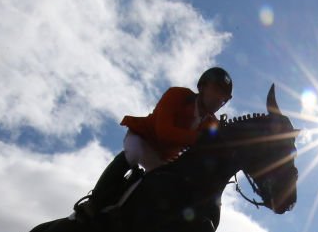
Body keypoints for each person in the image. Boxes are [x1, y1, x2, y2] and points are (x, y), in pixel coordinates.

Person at [73, 67, 233, 220]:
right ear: (202, 87)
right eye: (217, 91)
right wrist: (199, 138)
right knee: (133, 154)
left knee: (170, 185)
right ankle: (94, 202)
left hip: (164, 157)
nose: (220, 99)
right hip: (144, 138)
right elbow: (164, 132)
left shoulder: (212, 124)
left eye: (224, 97)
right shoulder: (177, 95)